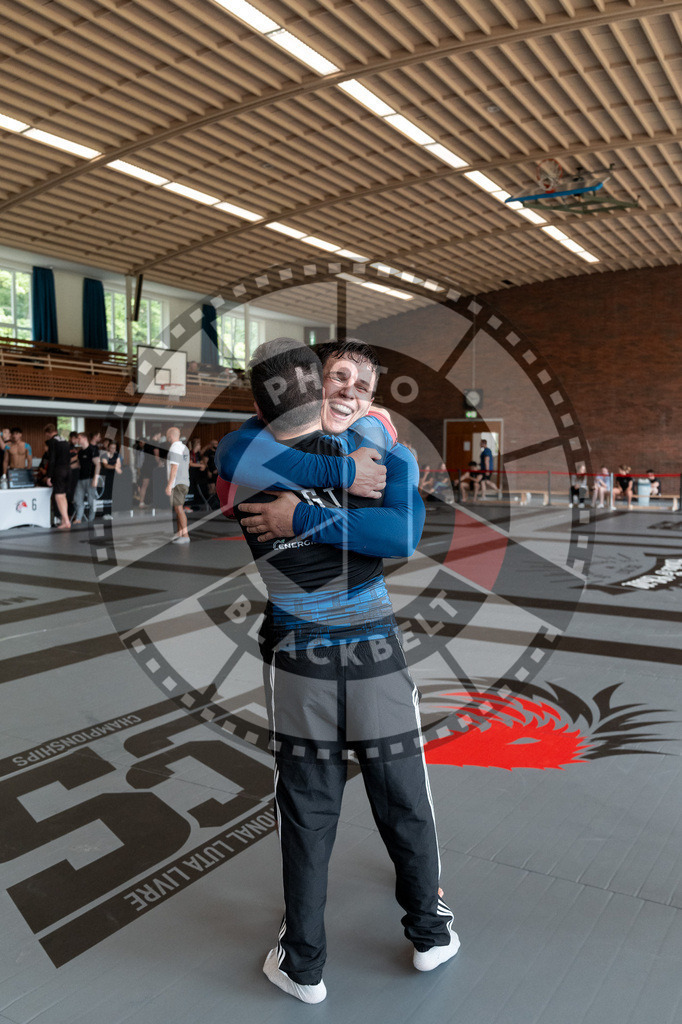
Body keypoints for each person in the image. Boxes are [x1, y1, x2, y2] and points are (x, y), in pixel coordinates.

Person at [218, 339, 458, 1004]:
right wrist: (345, 480)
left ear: (374, 400)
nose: (346, 388)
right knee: (315, 807)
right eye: (334, 376)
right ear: (308, 388)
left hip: (350, 651)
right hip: (314, 654)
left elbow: (398, 540)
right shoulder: (259, 455)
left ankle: (424, 930)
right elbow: (234, 448)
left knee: (396, 796)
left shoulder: (383, 456)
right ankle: (307, 961)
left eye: (359, 382)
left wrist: (303, 514)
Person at [43, 423, 72, 528]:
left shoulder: (52, 442)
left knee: (58, 496)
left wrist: (49, 476)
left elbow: (52, 459)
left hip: (59, 471)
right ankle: (65, 521)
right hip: (68, 470)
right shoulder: (64, 440)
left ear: (48, 433)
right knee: (63, 496)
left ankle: (66, 521)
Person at [165, 426, 190, 543]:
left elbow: (174, 467)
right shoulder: (184, 447)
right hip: (185, 481)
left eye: (167, 435)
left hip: (178, 483)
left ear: (170, 436)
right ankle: (180, 533)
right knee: (177, 507)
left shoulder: (174, 447)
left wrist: (169, 485)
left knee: (179, 509)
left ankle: (185, 536)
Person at [73, 431, 101, 524]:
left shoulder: (92, 450)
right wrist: (66, 468)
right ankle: (78, 519)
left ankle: (91, 520)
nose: (77, 440)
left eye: (79, 438)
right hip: (81, 479)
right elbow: (77, 464)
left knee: (91, 501)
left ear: (84, 438)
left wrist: (95, 479)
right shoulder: (80, 452)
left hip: (90, 479)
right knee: (77, 499)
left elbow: (98, 465)